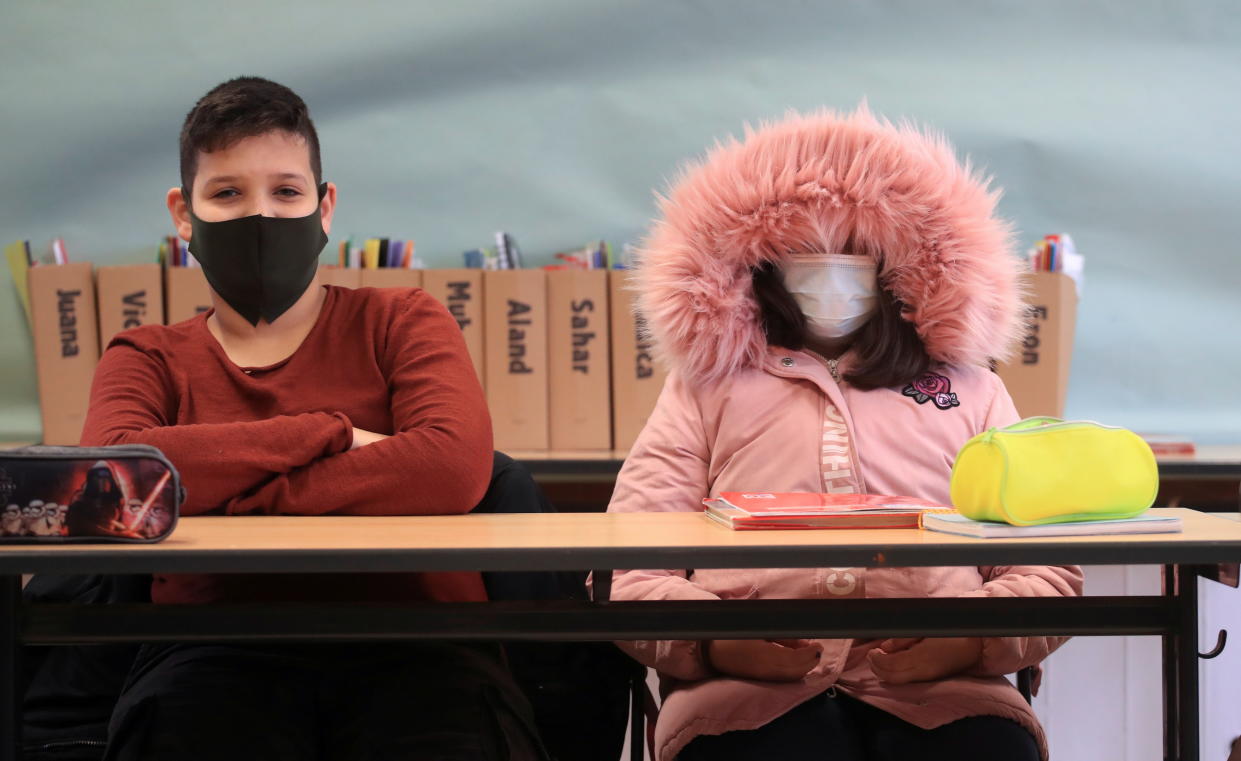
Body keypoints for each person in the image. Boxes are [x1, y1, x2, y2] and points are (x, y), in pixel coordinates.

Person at [80, 76, 544, 760]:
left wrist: (224, 496)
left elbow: (451, 466)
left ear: (325, 208)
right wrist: (328, 431)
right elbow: (113, 484)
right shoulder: (146, 355)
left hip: (419, 641)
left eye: (286, 191)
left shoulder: (402, 319)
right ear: (184, 213)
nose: (260, 216)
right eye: (228, 193)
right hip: (213, 647)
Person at [604, 107, 1083, 761]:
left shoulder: (972, 389)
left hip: (949, 694)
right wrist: (715, 641)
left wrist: (967, 641)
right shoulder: (704, 387)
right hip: (738, 697)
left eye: (855, 253)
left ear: (908, 263)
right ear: (755, 264)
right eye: (800, 252)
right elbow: (631, 563)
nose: (829, 273)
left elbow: (1044, 565)